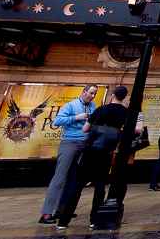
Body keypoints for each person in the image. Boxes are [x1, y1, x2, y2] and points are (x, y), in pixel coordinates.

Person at [54, 86, 142, 230]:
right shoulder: (126, 113)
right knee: (100, 187)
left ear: (113, 95)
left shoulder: (100, 109)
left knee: (77, 186)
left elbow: (85, 129)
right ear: (125, 97)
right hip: (106, 153)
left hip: (90, 151)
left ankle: (63, 220)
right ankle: (94, 220)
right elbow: (134, 130)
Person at [38, 84, 98, 224]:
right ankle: (46, 213)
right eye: (91, 93)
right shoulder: (71, 105)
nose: (93, 96)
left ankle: (63, 210)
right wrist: (76, 117)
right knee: (59, 178)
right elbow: (57, 121)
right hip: (70, 142)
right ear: (84, 92)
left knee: (73, 180)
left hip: (85, 144)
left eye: (95, 94)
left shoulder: (93, 106)